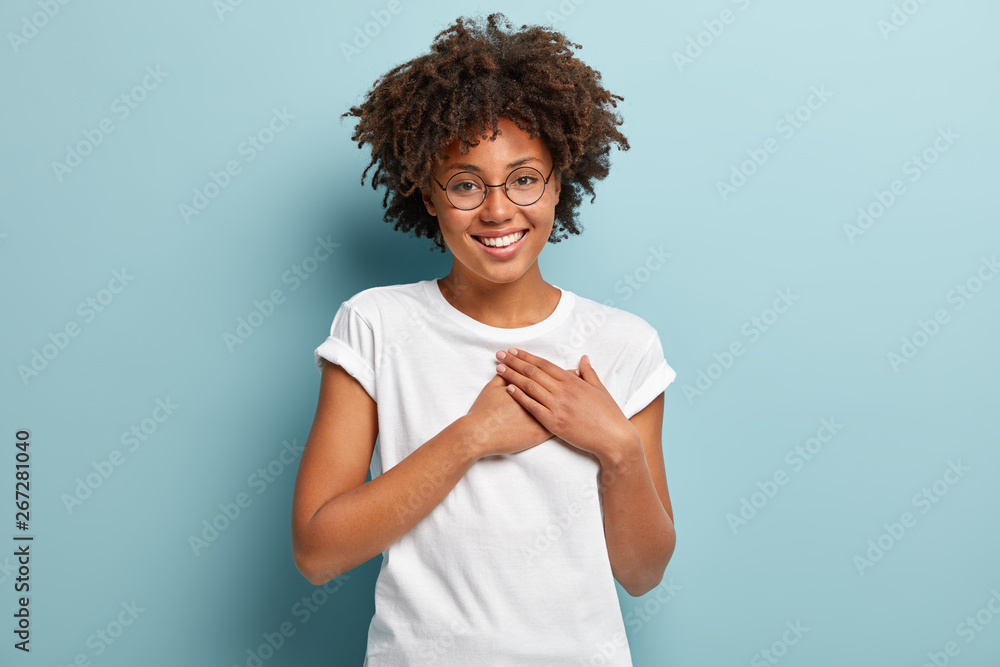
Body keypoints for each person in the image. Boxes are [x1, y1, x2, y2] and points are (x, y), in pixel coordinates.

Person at [291, 13, 677, 666]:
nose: (498, 210)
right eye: (467, 184)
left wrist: (616, 447)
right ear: (427, 192)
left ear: (560, 181)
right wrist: (471, 436)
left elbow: (642, 572)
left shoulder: (621, 342)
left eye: (524, 178)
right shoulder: (376, 325)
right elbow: (317, 551)